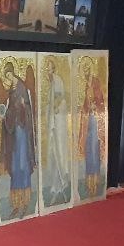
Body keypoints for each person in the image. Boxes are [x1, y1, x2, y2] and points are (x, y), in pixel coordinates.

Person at [0, 61, 36, 219]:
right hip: (13, 136)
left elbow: (26, 110)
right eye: (6, 76)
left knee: (22, 165)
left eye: (9, 75)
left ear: (12, 73)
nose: (8, 78)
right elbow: (10, 110)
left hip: (22, 134)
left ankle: (25, 202)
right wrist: (4, 115)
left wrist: (19, 108)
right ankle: (16, 204)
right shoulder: (12, 91)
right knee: (14, 167)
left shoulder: (21, 88)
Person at [42, 58, 70, 206]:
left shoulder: (57, 81)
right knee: (53, 155)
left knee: (59, 153)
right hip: (53, 127)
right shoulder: (51, 84)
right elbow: (50, 104)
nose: (47, 71)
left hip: (58, 127)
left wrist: (54, 109)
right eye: (46, 68)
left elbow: (59, 101)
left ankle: (61, 187)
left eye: (49, 68)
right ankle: (55, 188)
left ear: (53, 69)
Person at [79, 65, 105, 198]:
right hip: (88, 119)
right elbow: (86, 103)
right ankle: (89, 183)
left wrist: (95, 105)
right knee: (89, 150)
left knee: (94, 150)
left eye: (87, 70)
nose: (85, 73)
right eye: (84, 71)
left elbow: (100, 101)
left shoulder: (95, 83)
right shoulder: (86, 85)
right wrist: (85, 108)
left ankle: (95, 182)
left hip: (95, 120)